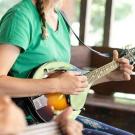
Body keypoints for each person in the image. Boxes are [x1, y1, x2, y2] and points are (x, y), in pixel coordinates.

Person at [0, 0, 134, 134]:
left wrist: (109, 75)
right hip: (26, 125)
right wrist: (56, 84)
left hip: (57, 119)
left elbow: (67, 84)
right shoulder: (20, 17)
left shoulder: (61, 18)